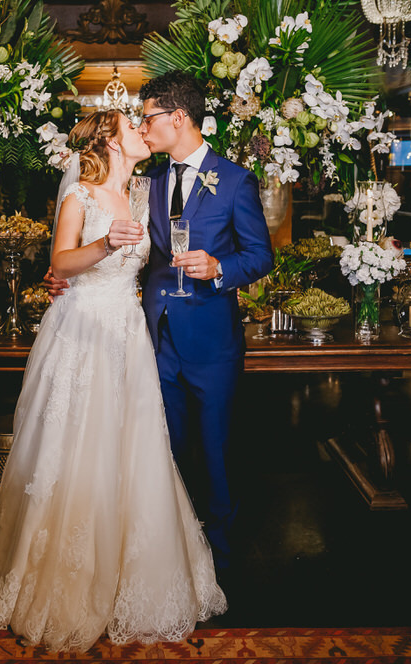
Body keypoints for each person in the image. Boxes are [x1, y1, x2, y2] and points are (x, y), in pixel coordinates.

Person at [0, 109, 227, 653]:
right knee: (75, 450)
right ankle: (65, 585)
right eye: (132, 126)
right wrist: (104, 246)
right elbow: (60, 263)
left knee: (132, 449)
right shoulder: (79, 197)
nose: (142, 130)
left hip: (128, 334)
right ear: (110, 141)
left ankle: (134, 583)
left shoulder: (146, 193)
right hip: (82, 330)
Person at [133, 70, 274, 571]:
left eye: (148, 117)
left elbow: (260, 257)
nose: (142, 127)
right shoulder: (146, 183)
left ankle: (219, 551)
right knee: (161, 445)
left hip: (212, 339)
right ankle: (169, 546)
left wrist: (219, 269)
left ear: (178, 118)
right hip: (154, 336)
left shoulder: (235, 181)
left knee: (215, 449)